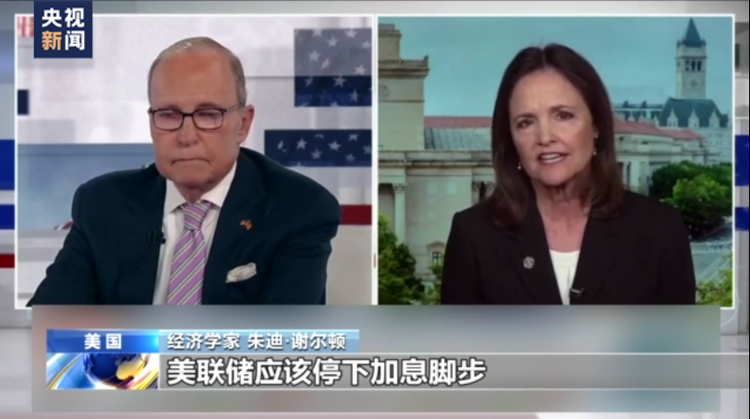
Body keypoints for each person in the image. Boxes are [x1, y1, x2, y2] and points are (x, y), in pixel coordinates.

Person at [28, 37, 341, 305]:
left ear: (243, 124)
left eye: (208, 114)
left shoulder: (298, 209)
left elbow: (280, 345)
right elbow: (48, 327)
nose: (186, 136)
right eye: (168, 114)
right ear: (152, 123)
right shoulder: (102, 204)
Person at [441, 44, 696, 305]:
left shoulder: (660, 230)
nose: (545, 137)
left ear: (596, 125)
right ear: (511, 139)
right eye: (525, 123)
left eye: (563, 116)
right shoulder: (473, 235)